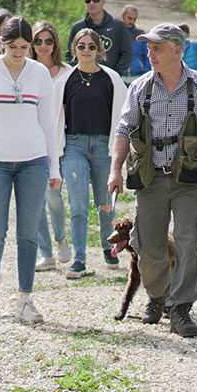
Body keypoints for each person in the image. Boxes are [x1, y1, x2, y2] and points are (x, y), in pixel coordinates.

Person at [107, 22, 197, 338]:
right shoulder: (139, 88)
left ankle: (180, 308)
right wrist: (115, 170)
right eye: (148, 48)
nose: (149, 53)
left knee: (189, 241)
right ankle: (157, 296)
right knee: (148, 246)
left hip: (189, 179)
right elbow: (124, 130)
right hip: (150, 178)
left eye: (157, 48)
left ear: (177, 50)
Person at [0, 15, 63, 325]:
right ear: (1, 43)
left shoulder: (38, 75)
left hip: (32, 161)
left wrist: (54, 165)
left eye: (26, 46)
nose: (20, 52)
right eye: (13, 47)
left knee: (28, 232)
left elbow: (48, 122)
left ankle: (25, 298)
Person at [58, 28, 126, 276]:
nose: (86, 50)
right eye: (81, 46)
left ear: (99, 50)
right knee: (77, 204)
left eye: (91, 46)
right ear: (74, 49)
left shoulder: (111, 79)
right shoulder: (66, 80)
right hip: (74, 144)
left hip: (103, 146)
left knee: (105, 203)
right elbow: (56, 114)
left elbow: (121, 116)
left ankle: (110, 249)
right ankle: (79, 258)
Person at [29, 21, 72, 271]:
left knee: (54, 197)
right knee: (35, 200)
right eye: (38, 41)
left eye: (48, 40)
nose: (43, 46)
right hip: (31, 145)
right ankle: (46, 253)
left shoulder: (67, 73)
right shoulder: (26, 72)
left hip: (61, 143)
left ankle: (61, 239)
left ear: (55, 43)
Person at [68, 0, 131, 75]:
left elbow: (126, 54)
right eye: (88, 1)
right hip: (83, 78)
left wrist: (114, 74)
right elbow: (70, 54)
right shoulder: (77, 27)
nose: (92, 3)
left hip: (110, 79)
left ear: (103, 1)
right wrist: (79, 73)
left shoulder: (118, 26)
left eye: (96, 0)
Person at [121, 5, 150, 78]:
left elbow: (147, 56)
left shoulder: (141, 36)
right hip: (119, 76)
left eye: (134, 19)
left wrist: (145, 76)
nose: (131, 21)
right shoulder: (116, 33)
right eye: (129, 18)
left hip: (137, 76)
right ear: (122, 16)